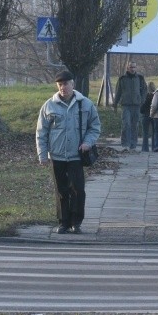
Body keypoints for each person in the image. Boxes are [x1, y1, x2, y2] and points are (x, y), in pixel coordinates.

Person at [36, 70, 101, 234]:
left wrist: (88, 142)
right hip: (57, 156)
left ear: (73, 84)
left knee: (78, 190)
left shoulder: (85, 104)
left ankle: (76, 222)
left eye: (66, 84)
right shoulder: (49, 105)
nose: (63, 88)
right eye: (60, 85)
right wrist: (42, 155)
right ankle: (63, 222)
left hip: (76, 156)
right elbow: (41, 132)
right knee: (61, 191)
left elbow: (95, 127)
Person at [113, 60, 147, 151]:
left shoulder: (140, 78)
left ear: (136, 68)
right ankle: (125, 144)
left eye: (134, 67)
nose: (133, 69)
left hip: (136, 105)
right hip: (126, 105)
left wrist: (142, 100)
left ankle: (133, 145)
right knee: (126, 124)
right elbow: (118, 92)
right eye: (131, 67)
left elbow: (144, 90)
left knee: (135, 125)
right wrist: (115, 104)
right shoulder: (122, 79)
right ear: (128, 68)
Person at [140, 81, 156, 152]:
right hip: (154, 116)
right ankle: (154, 147)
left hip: (145, 116)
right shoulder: (156, 95)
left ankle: (145, 148)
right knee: (154, 133)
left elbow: (143, 107)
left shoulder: (146, 96)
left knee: (145, 133)